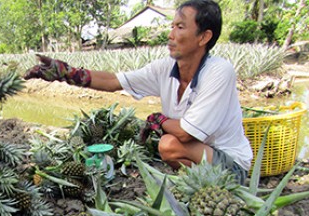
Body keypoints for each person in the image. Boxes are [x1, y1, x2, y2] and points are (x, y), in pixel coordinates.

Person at [24, 0, 253, 185]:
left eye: (180, 27)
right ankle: (202, 186)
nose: (171, 35)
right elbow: (115, 80)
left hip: (230, 163)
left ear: (204, 37)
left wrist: (158, 118)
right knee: (168, 144)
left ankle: (221, 186)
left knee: (169, 143)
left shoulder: (219, 72)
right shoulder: (165, 68)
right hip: (200, 154)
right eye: (172, 26)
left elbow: (185, 134)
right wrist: (67, 73)